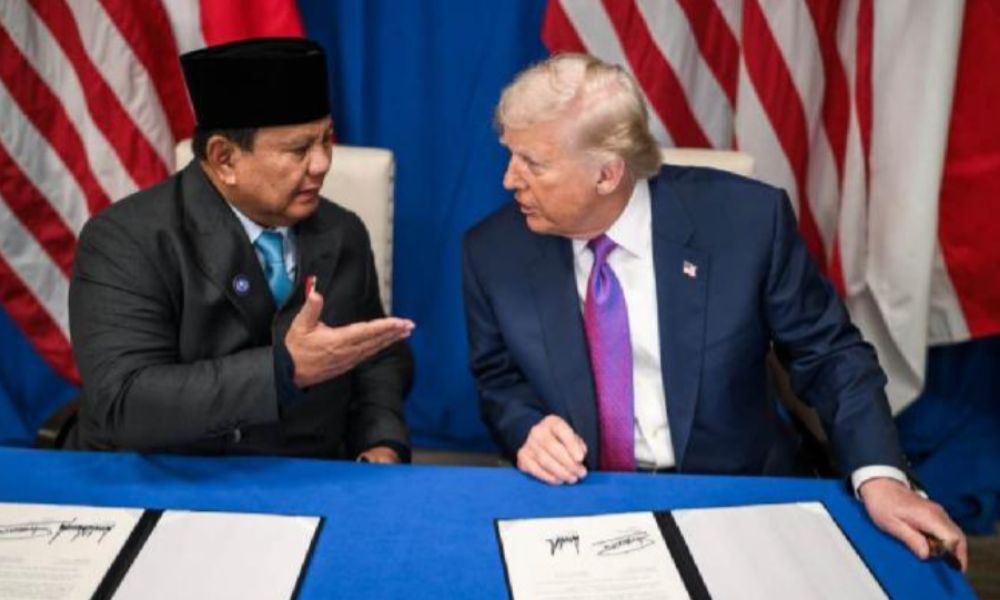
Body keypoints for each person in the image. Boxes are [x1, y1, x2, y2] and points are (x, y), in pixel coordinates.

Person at [462, 53, 967, 567]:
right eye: (511, 155)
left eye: (534, 164)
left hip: (736, 493)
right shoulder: (492, 253)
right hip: (578, 501)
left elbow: (831, 355)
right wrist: (526, 427)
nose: (509, 180)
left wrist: (880, 475)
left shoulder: (747, 223)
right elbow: (498, 379)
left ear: (607, 174)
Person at [68, 38, 413, 463]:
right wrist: (283, 371)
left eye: (326, 140)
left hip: (308, 474)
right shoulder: (125, 240)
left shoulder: (343, 231)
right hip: (172, 473)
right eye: (299, 149)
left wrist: (380, 442)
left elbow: (372, 359)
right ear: (224, 158)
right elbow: (125, 402)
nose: (323, 163)